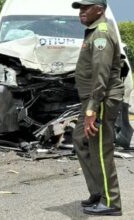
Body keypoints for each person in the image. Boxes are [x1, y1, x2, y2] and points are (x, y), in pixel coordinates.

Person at [71, 0, 124, 216]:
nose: (82, 11)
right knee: (80, 139)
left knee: (101, 150)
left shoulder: (101, 33)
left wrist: (92, 109)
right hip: (93, 100)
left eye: (86, 7)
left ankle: (111, 202)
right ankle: (98, 192)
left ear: (99, 9)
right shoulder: (93, 32)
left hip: (101, 100)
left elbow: (101, 74)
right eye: (80, 8)